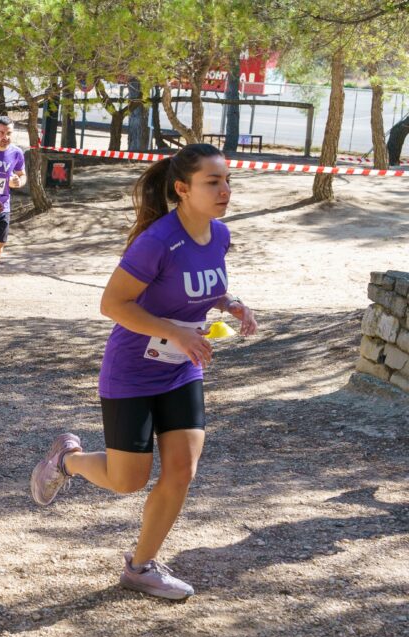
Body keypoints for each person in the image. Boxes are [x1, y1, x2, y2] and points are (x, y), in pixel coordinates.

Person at [30, 143, 258, 600]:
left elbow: (200, 285)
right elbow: (112, 304)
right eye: (213, 182)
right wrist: (174, 331)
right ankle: (65, 460)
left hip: (181, 369)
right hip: (132, 370)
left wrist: (229, 303)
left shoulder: (219, 235)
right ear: (182, 189)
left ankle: (141, 567)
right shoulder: (156, 240)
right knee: (127, 480)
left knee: (182, 469)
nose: (225, 190)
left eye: (227, 180)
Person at [0, 116, 27, 273]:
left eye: (9, 133)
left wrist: (18, 182)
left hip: (3, 208)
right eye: (1, 133)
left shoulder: (16, 153)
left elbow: (22, 175)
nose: (5, 137)